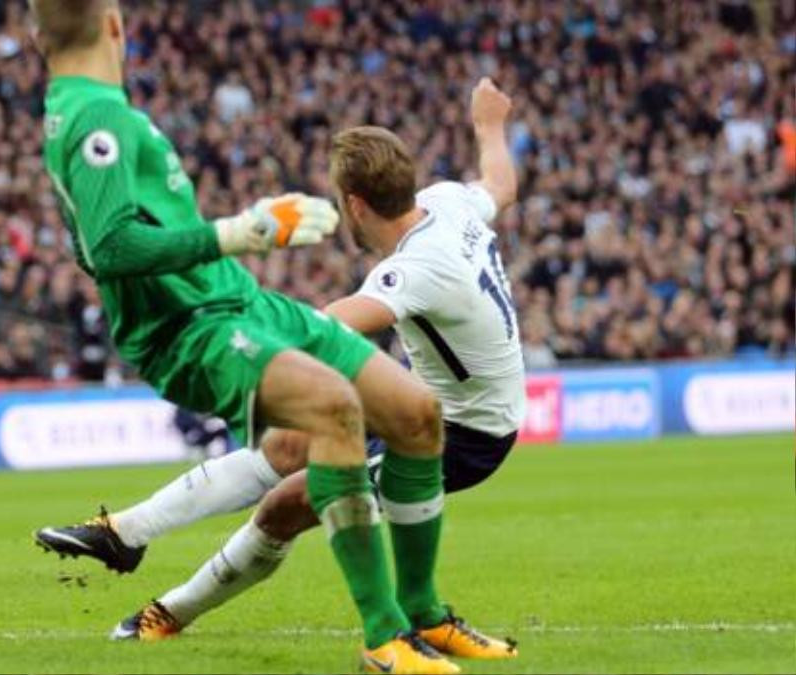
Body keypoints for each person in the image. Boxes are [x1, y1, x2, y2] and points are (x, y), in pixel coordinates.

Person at [28, 2, 463, 671]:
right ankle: (386, 636)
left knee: (415, 413)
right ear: (115, 25)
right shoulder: (95, 114)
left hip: (240, 299)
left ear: (37, 36)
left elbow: (90, 247)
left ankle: (427, 615)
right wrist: (242, 229)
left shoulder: (80, 110)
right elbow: (112, 247)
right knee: (334, 411)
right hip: (193, 327)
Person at [112, 82, 526, 666]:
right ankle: (128, 530)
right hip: (446, 407)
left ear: (354, 205)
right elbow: (501, 184)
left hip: (463, 438)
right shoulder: (450, 202)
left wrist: (229, 324)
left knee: (288, 504)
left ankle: (170, 611)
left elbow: (334, 324)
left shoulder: (413, 269)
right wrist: (488, 126)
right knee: (286, 444)